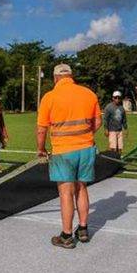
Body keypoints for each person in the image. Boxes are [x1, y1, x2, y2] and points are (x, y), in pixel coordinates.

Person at [37, 63, 102, 249]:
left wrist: (41, 149)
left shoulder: (49, 97)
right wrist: (85, 136)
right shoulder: (88, 94)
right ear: (71, 76)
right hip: (86, 148)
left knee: (66, 192)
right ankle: (82, 229)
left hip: (63, 150)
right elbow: (98, 121)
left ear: (56, 78)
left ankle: (66, 235)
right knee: (82, 187)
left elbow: (41, 129)